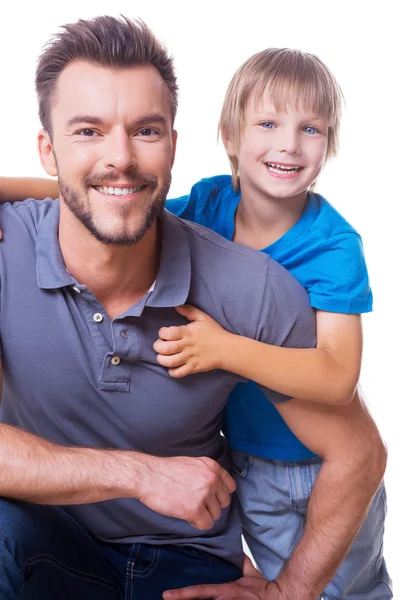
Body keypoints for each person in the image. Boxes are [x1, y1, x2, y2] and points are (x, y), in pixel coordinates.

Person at [0, 19, 388, 600]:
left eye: (146, 130)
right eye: (88, 131)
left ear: (174, 146)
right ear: (48, 151)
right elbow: (102, 193)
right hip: (46, 540)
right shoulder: (8, 248)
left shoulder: (268, 279)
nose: (120, 158)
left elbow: (358, 449)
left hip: (198, 550)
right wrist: (141, 474)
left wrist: (288, 592)